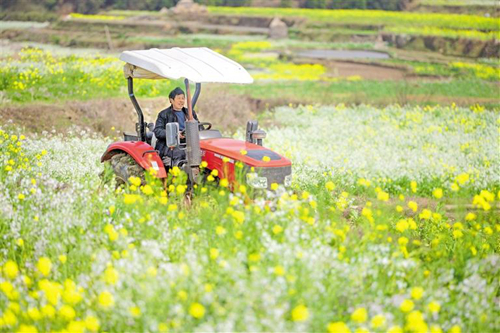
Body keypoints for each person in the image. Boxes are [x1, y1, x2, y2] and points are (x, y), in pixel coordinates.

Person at [154, 87, 199, 168]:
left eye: (183, 98)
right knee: (182, 153)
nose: (181, 101)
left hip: (189, 143)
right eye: (178, 98)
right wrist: (175, 134)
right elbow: (158, 131)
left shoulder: (190, 113)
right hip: (171, 145)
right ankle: (178, 175)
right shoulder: (164, 114)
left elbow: (199, 127)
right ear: (171, 100)